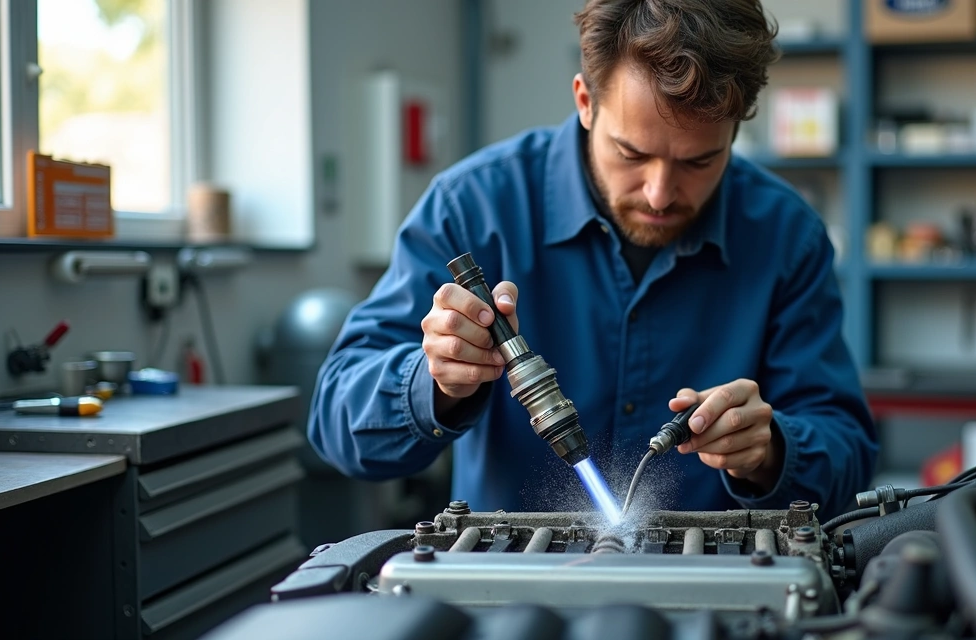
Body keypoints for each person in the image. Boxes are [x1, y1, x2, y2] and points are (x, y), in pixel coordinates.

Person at [309, 0, 878, 514]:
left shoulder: (786, 235)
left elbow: (848, 454)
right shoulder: (471, 208)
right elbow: (335, 421)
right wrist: (434, 383)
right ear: (586, 101)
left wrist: (772, 450)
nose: (659, 193)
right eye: (632, 153)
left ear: (737, 126)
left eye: (699, 162)